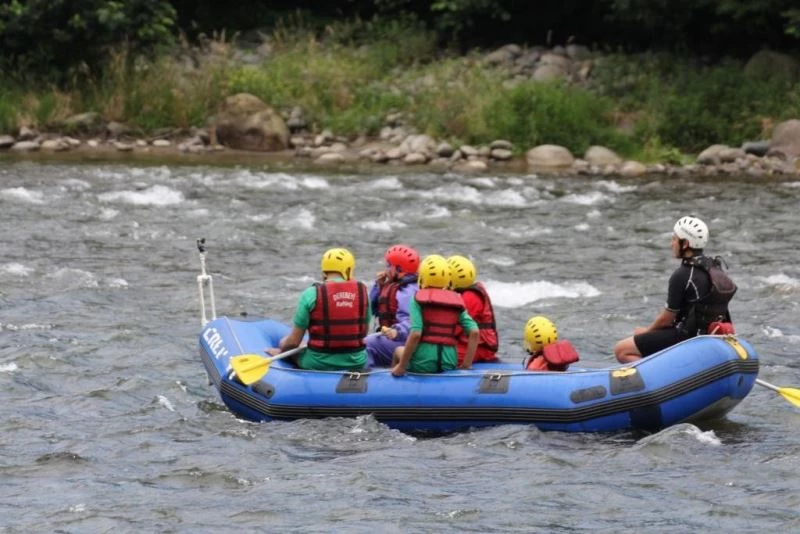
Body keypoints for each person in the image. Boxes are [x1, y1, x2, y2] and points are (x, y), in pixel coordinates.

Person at [614, 216, 737, 364]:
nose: (671, 243)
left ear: (685, 243)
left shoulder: (682, 274)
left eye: (674, 239)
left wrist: (647, 331)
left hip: (686, 337)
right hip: (707, 336)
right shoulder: (714, 267)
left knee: (622, 349)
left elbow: (667, 319)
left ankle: (660, 376)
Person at [266, 247, 371, 371]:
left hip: (317, 363)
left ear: (324, 271)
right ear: (348, 270)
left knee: (285, 342)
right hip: (356, 362)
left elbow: (294, 342)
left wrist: (281, 352)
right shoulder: (363, 293)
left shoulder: (311, 293)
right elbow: (363, 332)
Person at [391, 254, 479, 377]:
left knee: (397, 351)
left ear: (422, 278)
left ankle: (396, 382)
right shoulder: (457, 300)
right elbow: (474, 332)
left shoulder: (417, 299)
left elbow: (416, 334)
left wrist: (402, 366)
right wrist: (466, 365)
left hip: (422, 363)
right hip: (449, 362)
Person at [365, 244, 420, 368]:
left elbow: (412, 321)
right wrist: (378, 287)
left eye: (389, 265)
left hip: (404, 341)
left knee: (366, 343)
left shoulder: (406, 292)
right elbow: (370, 310)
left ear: (399, 269)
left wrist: (397, 331)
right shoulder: (397, 285)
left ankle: (363, 379)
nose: (386, 269)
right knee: (373, 339)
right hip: (398, 340)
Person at [446, 255, 500, 364]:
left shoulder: (470, 297)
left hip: (481, 349)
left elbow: (456, 328)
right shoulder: (466, 292)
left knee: (443, 356)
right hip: (467, 344)